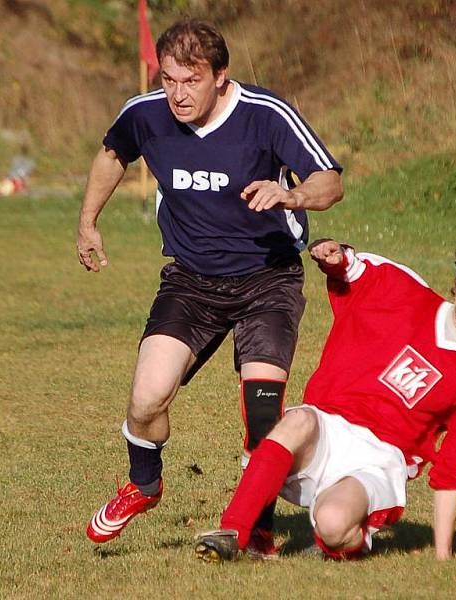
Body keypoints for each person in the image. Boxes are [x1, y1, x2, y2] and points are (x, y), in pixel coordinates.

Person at [78, 19, 343, 557]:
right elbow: (112, 155)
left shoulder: (265, 115)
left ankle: (257, 529)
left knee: (262, 412)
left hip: (268, 279)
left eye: (190, 81)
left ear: (220, 77)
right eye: (169, 79)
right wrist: (87, 222)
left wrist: (292, 197)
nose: (177, 93)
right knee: (146, 400)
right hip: (191, 281)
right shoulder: (145, 113)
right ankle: (144, 483)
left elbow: (329, 181)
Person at [194, 238, 456, 561]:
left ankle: (347, 540)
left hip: (378, 462)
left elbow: (451, 475)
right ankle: (233, 532)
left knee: (333, 523)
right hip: (327, 428)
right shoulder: (409, 295)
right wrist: (333, 257)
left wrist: (442, 556)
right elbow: (355, 271)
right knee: (298, 419)